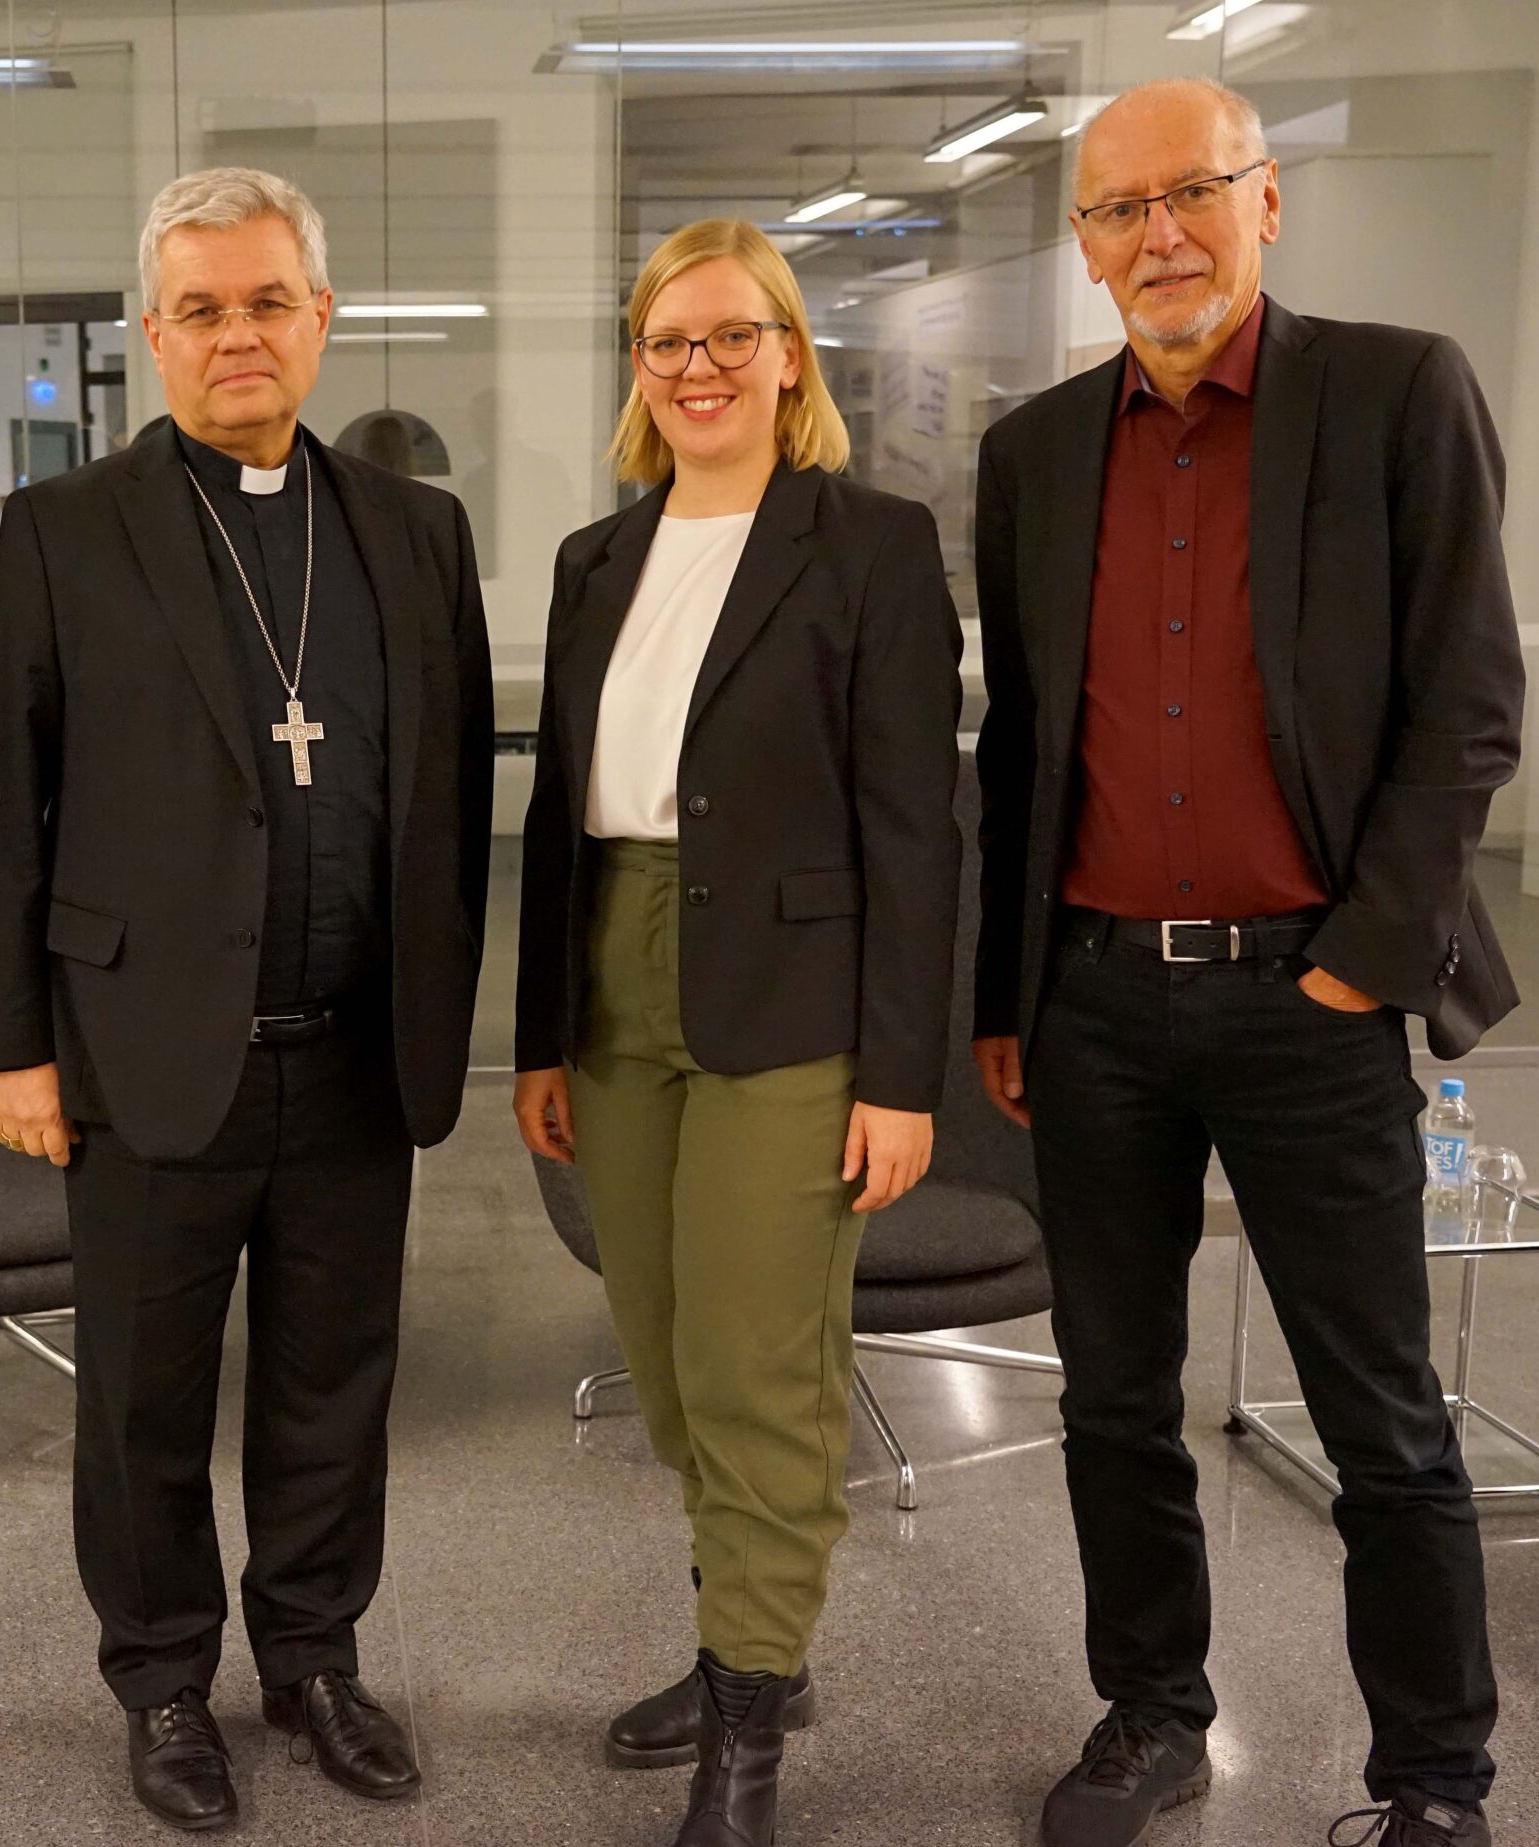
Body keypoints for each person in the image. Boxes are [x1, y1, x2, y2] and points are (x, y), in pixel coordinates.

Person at [970, 77, 1522, 1847]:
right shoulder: (1036, 452)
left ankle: (1434, 1780)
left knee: (1382, 1412)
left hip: (1313, 992)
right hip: (1102, 1000)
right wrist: (1006, 992)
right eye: (1121, 211)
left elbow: (1467, 707)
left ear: (1267, 201)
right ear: (1084, 245)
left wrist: (1365, 968)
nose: (1162, 236)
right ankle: (1149, 1712)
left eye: (1193, 193)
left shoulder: (1393, 392)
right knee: (1114, 1397)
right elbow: (1025, 748)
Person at [0, 166, 492, 1833]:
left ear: (320, 319)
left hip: (349, 1052)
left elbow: (460, 790)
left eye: (268, 302)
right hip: (141, 1052)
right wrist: (13, 1045)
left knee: (338, 1378)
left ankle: (316, 1653)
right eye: (201, 308)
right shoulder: (66, 530)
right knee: (141, 1398)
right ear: (153, 333)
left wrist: (440, 1014)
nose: (237, 334)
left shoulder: (412, 529)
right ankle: (165, 1677)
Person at [513, 218, 962, 1847]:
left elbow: (919, 828)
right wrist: (542, 1039)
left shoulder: (870, 546)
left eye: (728, 334)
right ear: (637, 370)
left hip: (790, 1002)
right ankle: (739, 1646)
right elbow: (565, 811)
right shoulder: (596, 561)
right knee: (664, 1356)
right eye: (664, 340)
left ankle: (750, 1729)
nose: (696, 366)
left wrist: (903, 1078)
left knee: (758, 1364)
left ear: (789, 352)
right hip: (619, 981)